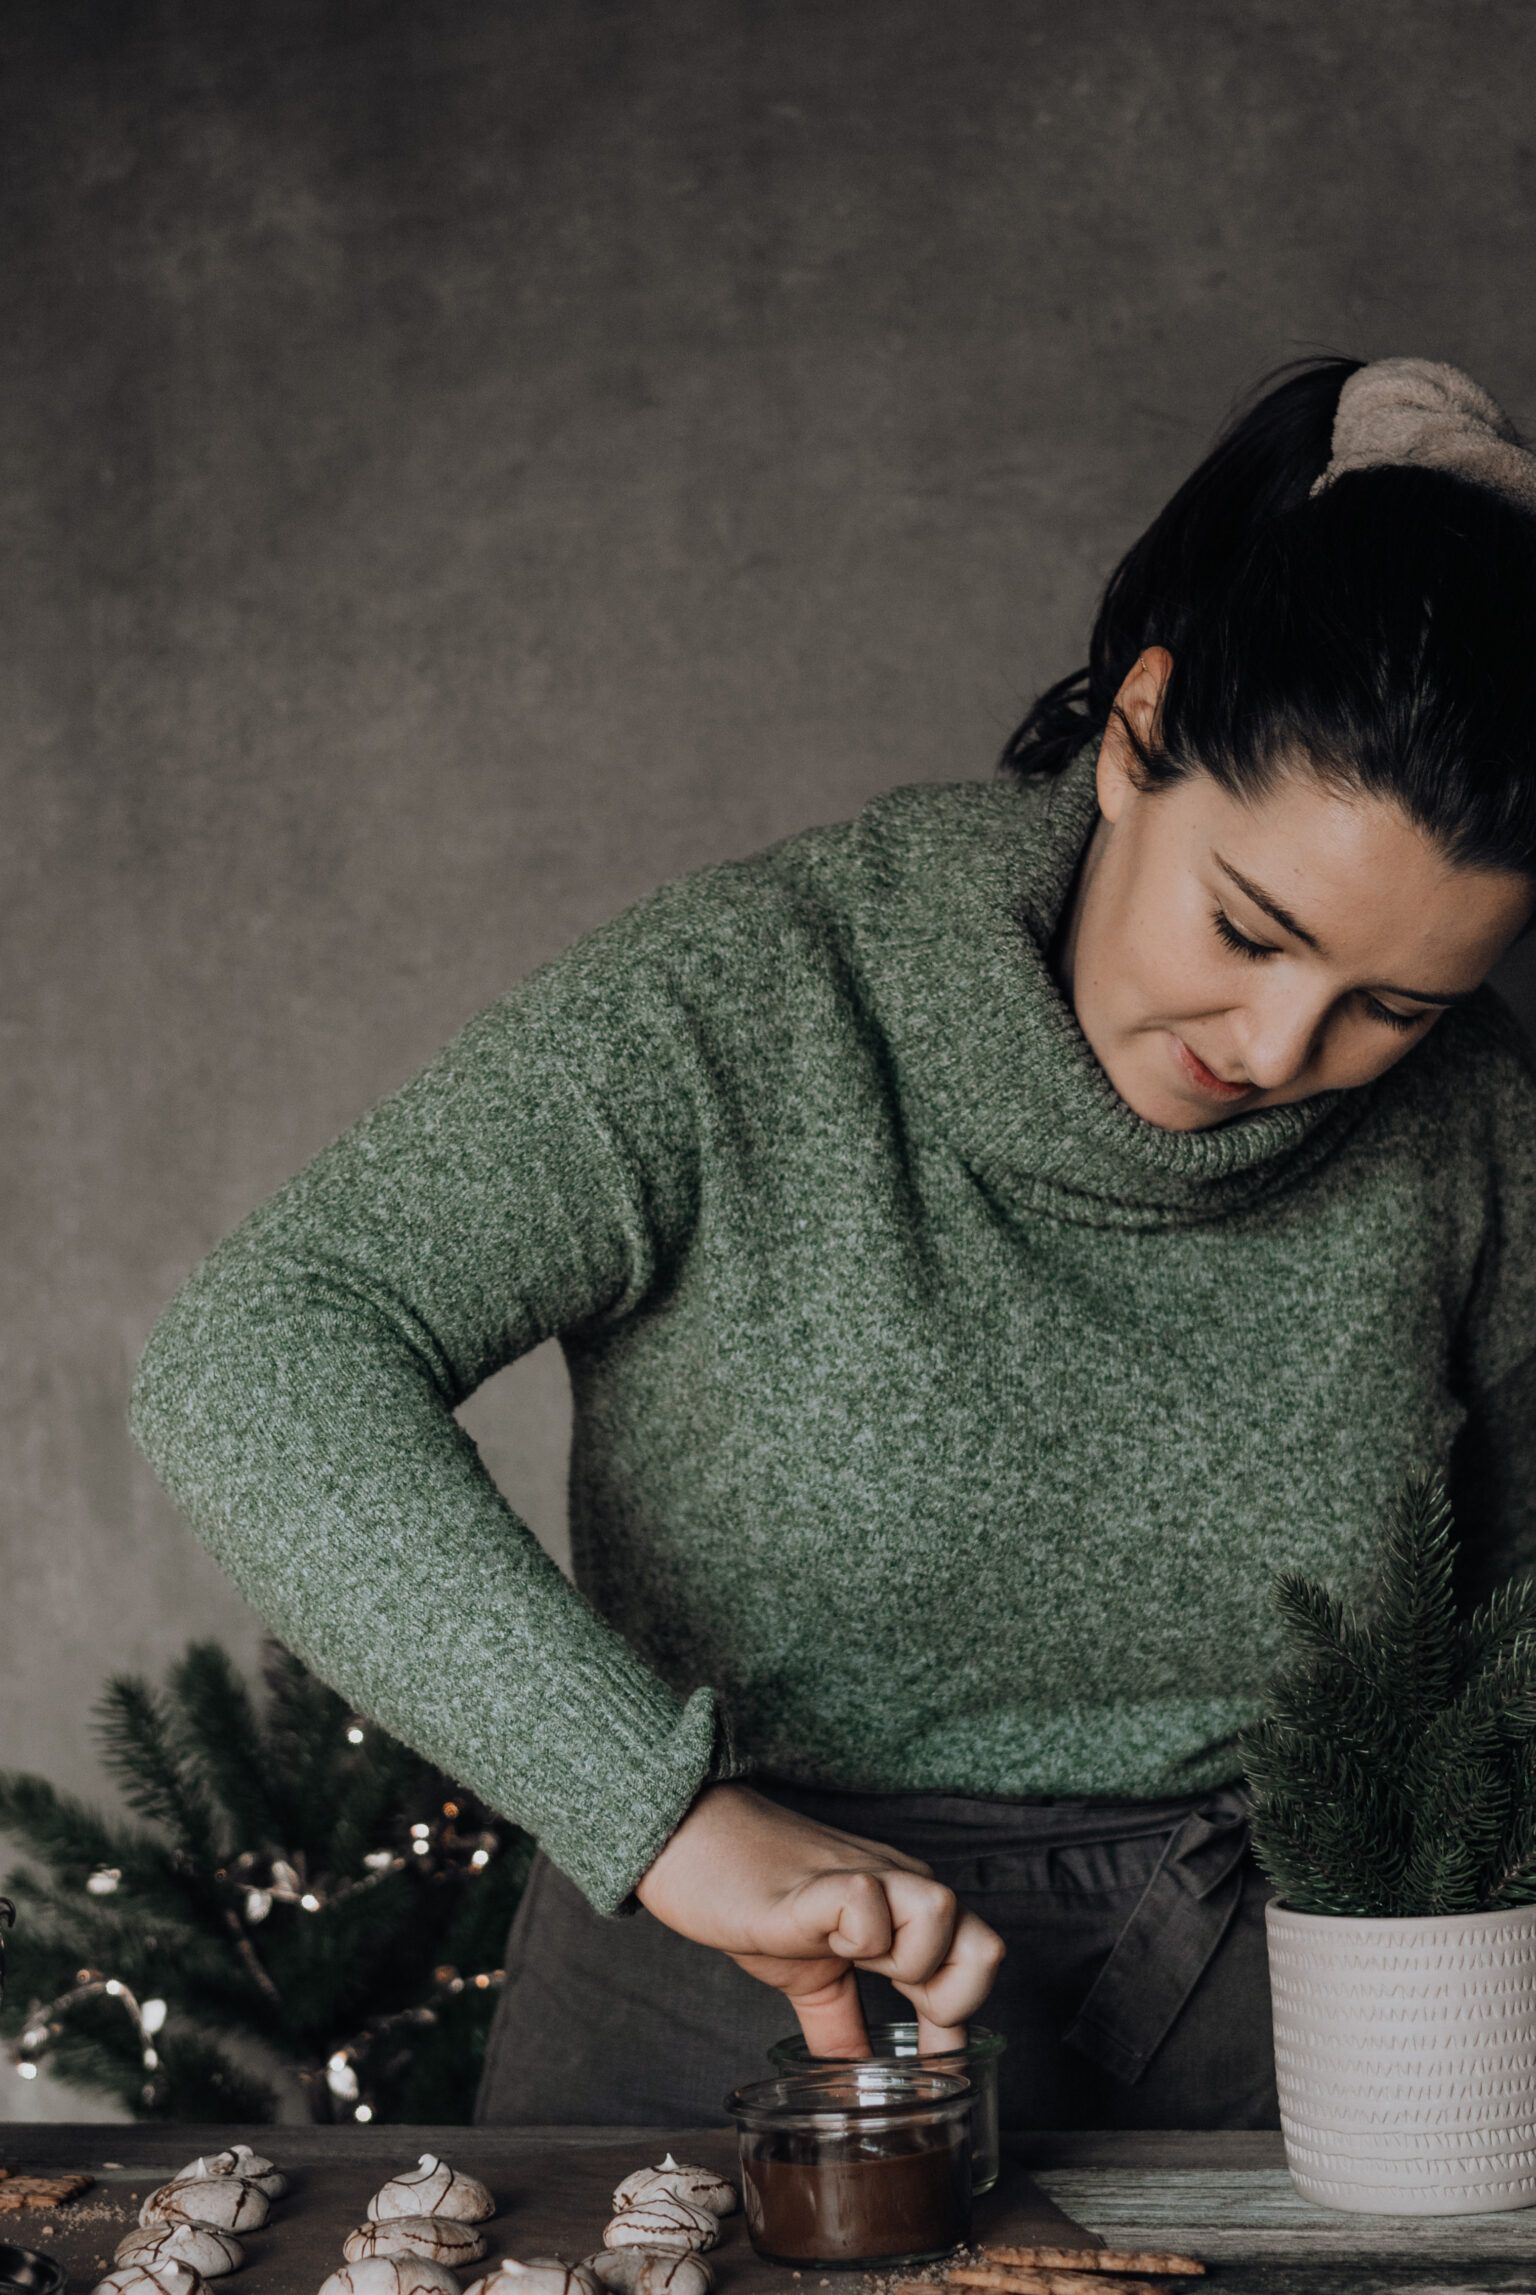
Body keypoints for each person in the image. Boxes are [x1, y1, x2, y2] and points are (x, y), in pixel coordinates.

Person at [129, 355, 1536, 2132]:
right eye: (1249, 929)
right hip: (725, 1971)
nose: (1276, 1054)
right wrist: (657, 1813)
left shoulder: (1477, 1122)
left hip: (1301, 2011)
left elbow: (1516, 1626)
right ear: (1137, 733)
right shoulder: (750, 1000)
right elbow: (264, 1345)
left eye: (1390, 1006)